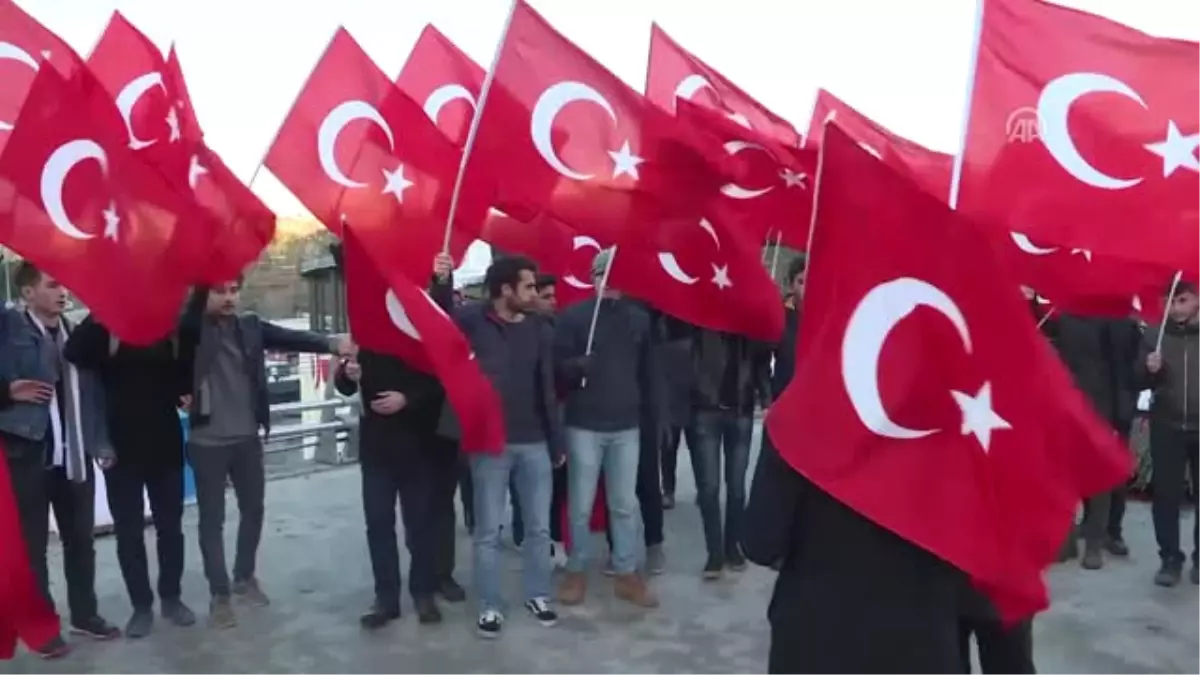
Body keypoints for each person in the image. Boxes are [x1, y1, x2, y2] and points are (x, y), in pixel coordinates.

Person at [178, 279, 354, 629]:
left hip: (247, 436)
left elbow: (294, 339)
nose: (229, 298)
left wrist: (334, 344)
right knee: (212, 521)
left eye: (233, 290)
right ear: (203, 295)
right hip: (207, 441)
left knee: (253, 510)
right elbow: (185, 324)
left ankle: (244, 577)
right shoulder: (192, 330)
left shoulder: (250, 326)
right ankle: (220, 594)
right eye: (219, 291)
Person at [430, 253, 563, 639]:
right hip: (489, 444)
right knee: (488, 530)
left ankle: (538, 595)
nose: (535, 293)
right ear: (506, 290)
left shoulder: (540, 327)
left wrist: (556, 440)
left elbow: (548, 388)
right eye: (529, 287)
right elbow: (437, 324)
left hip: (536, 441)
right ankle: (490, 605)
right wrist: (441, 280)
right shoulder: (472, 319)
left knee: (538, 528)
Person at [0, 263, 121, 657]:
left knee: (80, 541)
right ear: (28, 293)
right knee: (32, 548)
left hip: (76, 454)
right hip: (26, 452)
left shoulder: (77, 333)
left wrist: (101, 443)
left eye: (64, 285)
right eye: (52, 285)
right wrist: (6, 391)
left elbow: (95, 394)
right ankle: (42, 625)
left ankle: (85, 615)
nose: (62, 291)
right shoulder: (8, 328)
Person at [63, 317, 196, 638]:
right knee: (129, 532)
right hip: (121, 450)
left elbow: (183, 376)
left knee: (171, 528)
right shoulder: (104, 331)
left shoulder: (167, 327)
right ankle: (141, 605)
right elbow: (73, 352)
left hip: (164, 443)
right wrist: (102, 311)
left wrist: (186, 392)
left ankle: (171, 596)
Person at [555, 250, 660, 608]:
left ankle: (627, 573)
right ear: (593, 277)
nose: (611, 280)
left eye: (617, 273)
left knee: (624, 504)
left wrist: (653, 418)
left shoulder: (639, 319)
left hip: (627, 424)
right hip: (584, 423)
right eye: (604, 273)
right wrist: (574, 367)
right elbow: (555, 369)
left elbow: (648, 374)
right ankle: (576, 569)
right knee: (581, 505)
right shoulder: (572, 318)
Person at [334, 348, 464, 628]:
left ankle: (423, 592)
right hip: (376, 452)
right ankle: (386, 598)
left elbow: (438, 382)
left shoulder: (415, 339)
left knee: (420, 525)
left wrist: (407, 398)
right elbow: (344, 386)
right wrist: (347, 373)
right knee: (379, 524)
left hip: (418, 447)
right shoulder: (365, 342)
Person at [1052, 312, 1141, 569]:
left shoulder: (1116, 318)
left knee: (1101, 478)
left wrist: (1117, 416)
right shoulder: (1062, 315)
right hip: (1066, 401)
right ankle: (1065, 539)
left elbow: (1121, 369)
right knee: (1065, 474)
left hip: (1103, 406)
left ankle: (1096, 542)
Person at [685, 324, 772, 579]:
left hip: (741, 410)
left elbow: (761, 365)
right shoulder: (699, 323)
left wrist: (766, 399)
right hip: (705, 409)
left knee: (736, 487)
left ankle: (732, 546)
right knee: (708, 488)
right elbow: (686, 358)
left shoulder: (748, 325)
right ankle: (714, 553)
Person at [1135, 279, 1200, 588]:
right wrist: (1150, 370)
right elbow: (1137, 382)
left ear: (1197, 300)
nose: (1176, 308)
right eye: (1170, 302)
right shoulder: (1153, 335)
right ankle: (1170, 559)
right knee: (1166, 496)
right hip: (1167, 426)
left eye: (1183, 300)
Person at [507, 274, 558, 549]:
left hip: (542, 427)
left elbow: (552, 380)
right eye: (543, 294)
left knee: (541, 495)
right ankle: (520, 532)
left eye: (553, 296)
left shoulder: (551, 329)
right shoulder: (507, 328)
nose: (552, 301)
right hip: (507, 431)